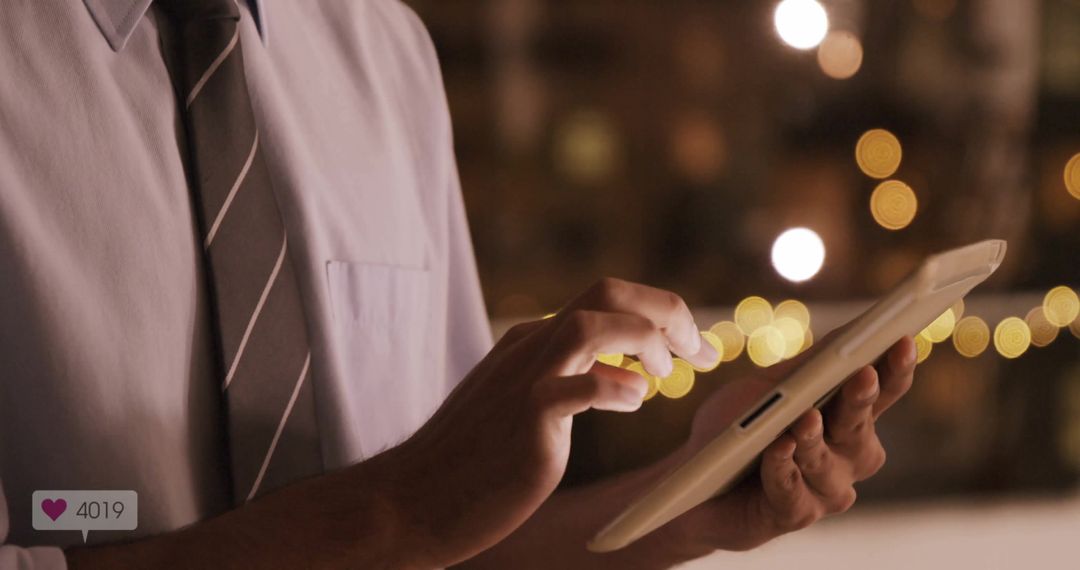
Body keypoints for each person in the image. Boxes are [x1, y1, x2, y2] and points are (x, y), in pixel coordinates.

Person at [0, 0, 917, 568]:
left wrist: (686, 502)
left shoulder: (387, 52)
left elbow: (447, 539)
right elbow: (404, 518)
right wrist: (394, 512)